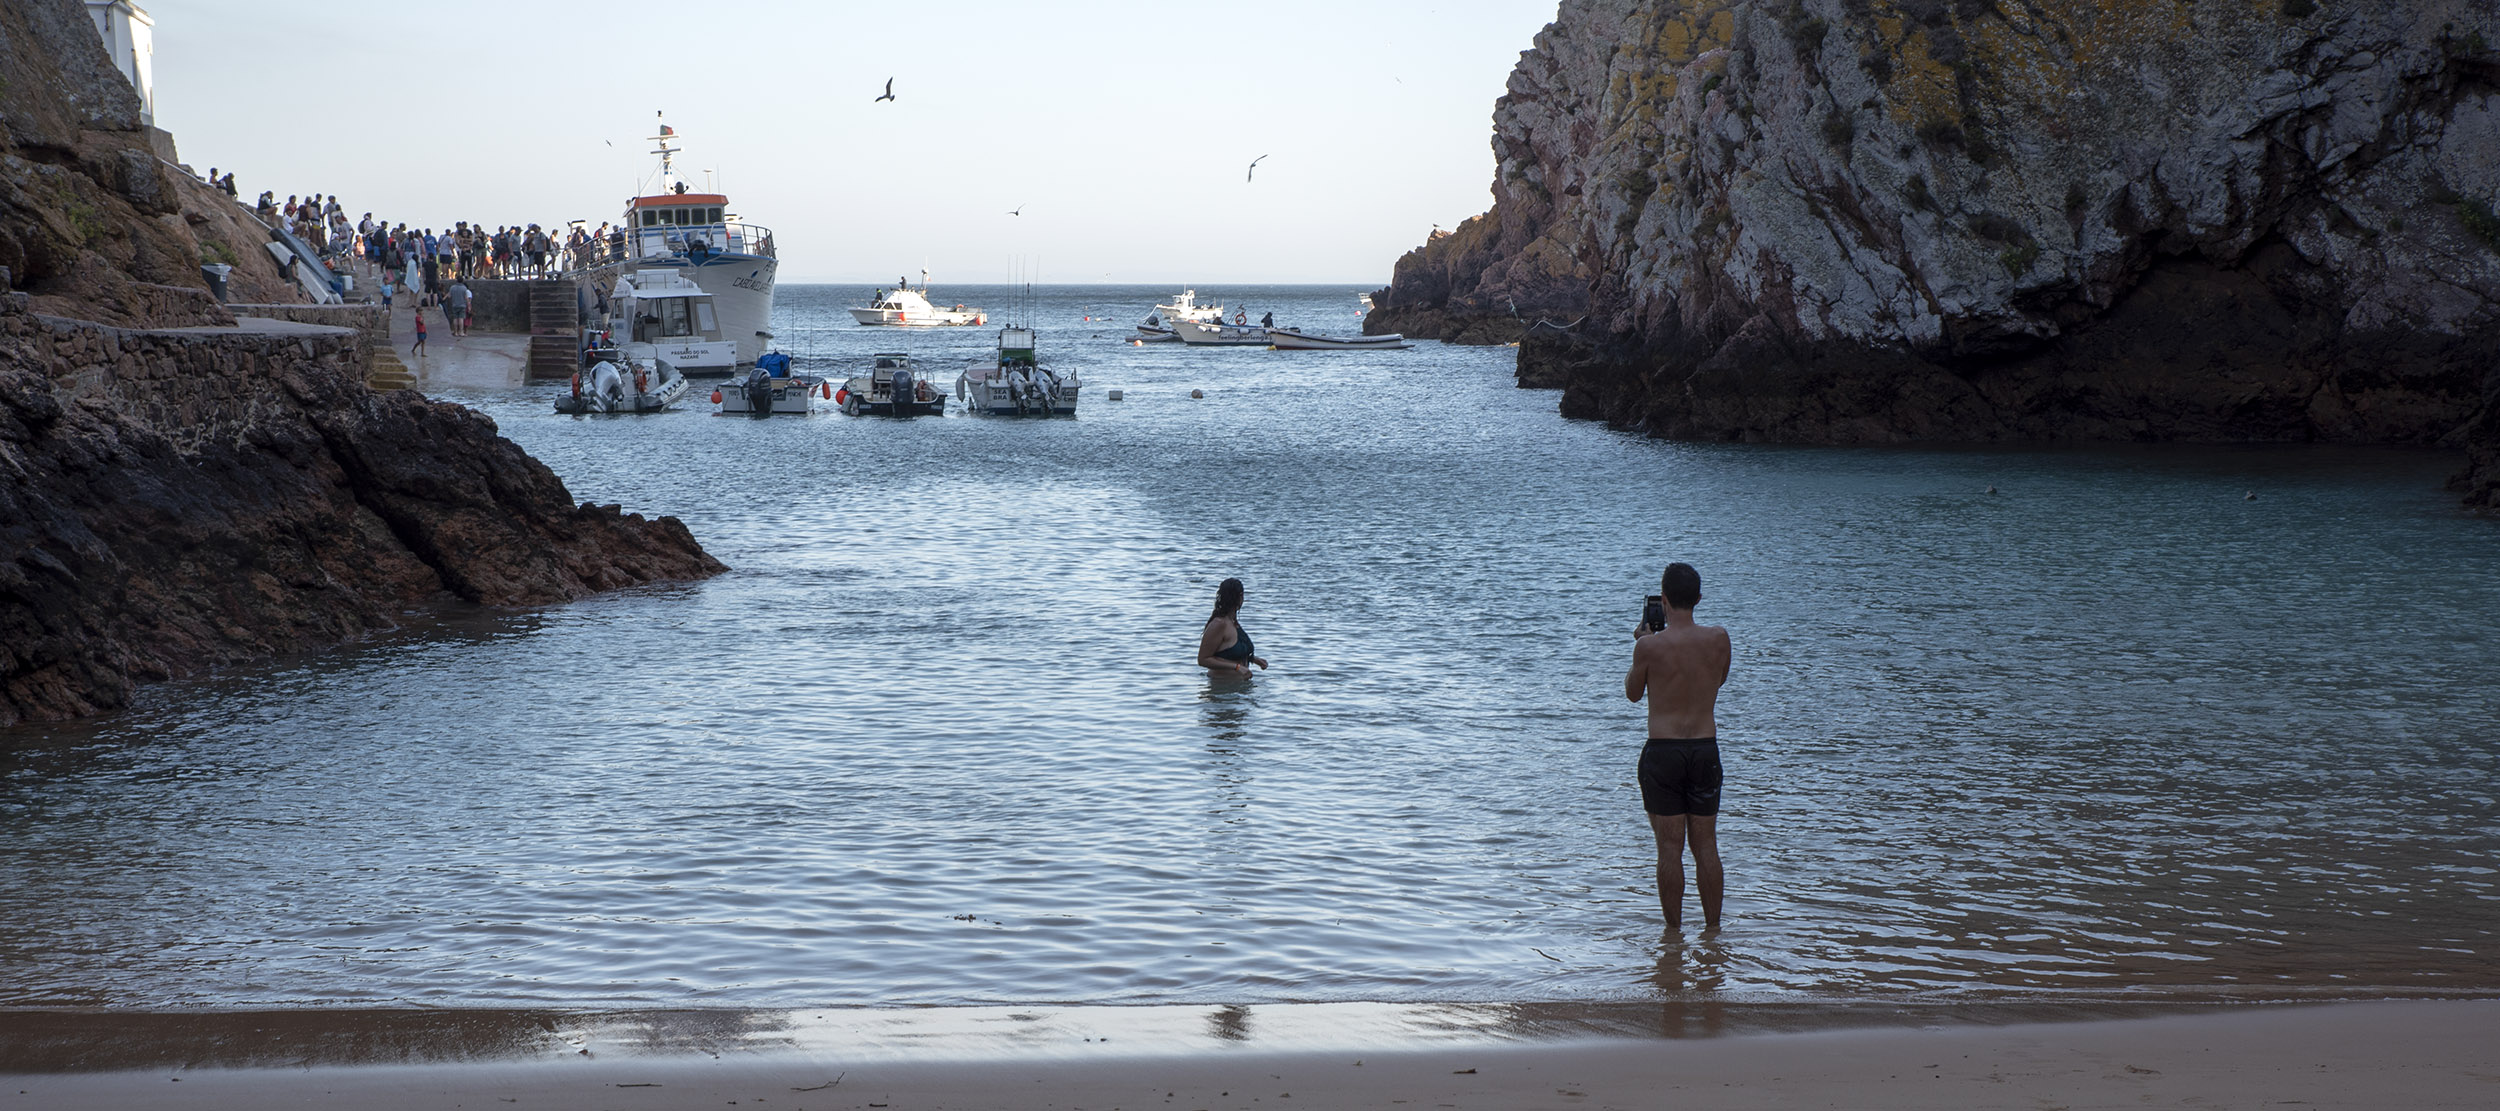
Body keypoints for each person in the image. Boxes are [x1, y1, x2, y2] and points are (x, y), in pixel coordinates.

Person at [1623, 561, 1731, 932]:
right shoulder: (1719, 638)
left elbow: (1633, 695)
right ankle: (1713, 932)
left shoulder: (1650, 647)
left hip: (1664, 752)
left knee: (1669, 848)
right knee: (1706, 846)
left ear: (1664, 600)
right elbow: (1720, 679)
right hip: (1704, 749)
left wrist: (1643, 643)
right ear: (1698, 598)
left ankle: (1673, 937)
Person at [1197, 578, 1267, 675]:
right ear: (1241, 596)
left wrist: (1254, 660)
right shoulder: (1219, 624)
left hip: (1238, 686)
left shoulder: (1233, 622)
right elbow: (1203, 659)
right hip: (1221, 687)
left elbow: (1231, 654)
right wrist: (1237, 667)